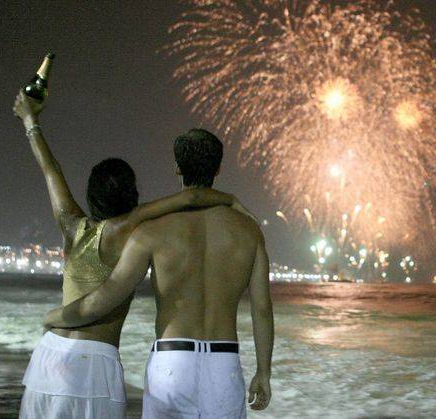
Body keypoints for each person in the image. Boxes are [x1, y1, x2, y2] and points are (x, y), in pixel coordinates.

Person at [13, 91, 242, 418]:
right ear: (133, 194)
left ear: (91, 194)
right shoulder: (128, 230)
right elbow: (189, 199)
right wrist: (231, 200)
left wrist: (29, 120)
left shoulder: (72, 228)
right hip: (94, 367)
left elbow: (51, 171)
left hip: (50, 357)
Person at [44, 128, 275, 418]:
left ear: (177, 167)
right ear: (218, 168)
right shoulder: (249, 232)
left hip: (171, 361)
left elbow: (107, 296)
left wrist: (56, 317)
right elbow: (262, 309)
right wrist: (264, 371)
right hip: (224, 362)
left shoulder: (153, 231)